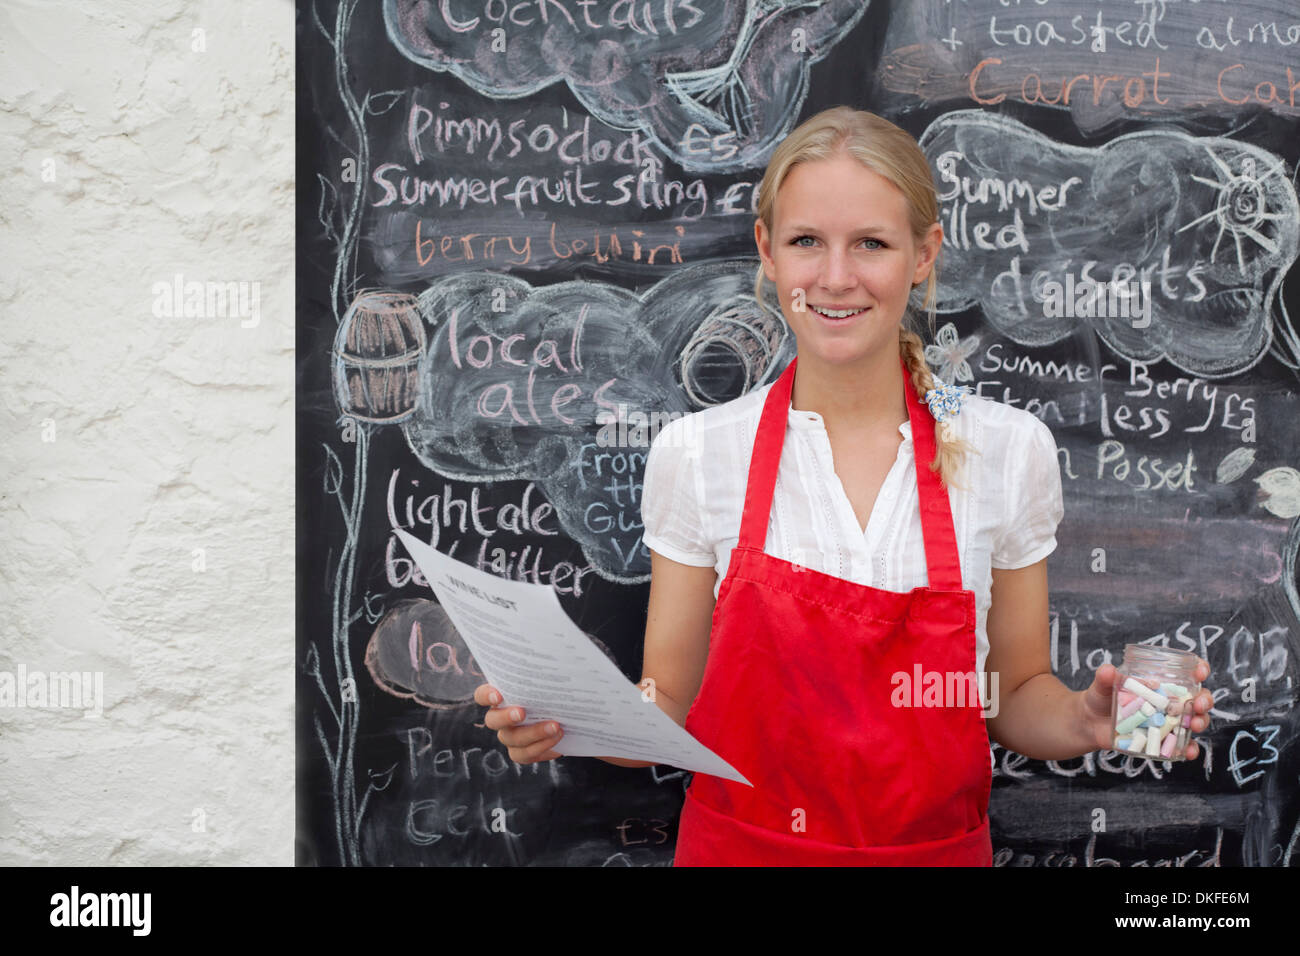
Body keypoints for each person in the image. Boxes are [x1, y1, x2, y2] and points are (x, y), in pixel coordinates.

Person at [473, 106, 1215, 865]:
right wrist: (576, 718)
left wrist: (1092, 724)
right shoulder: (697, 453)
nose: (835, 277)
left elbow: (1013, 695)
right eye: (806, 242)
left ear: (924, 254)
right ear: (767, 250)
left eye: (871, 244)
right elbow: (672, 702)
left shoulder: (1006, 449)